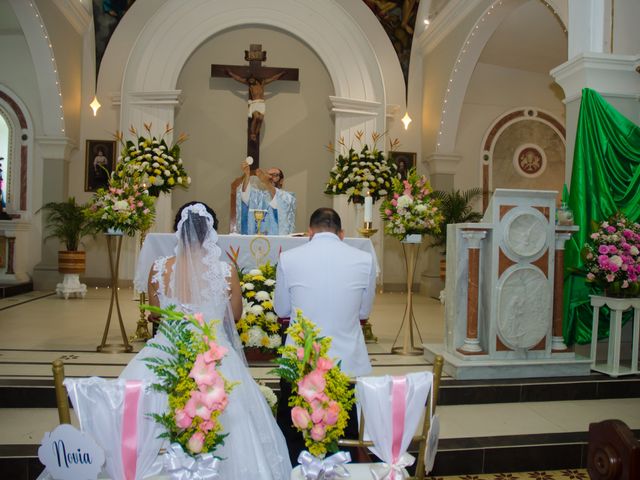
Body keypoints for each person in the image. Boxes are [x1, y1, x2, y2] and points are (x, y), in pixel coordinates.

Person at [120, 203, 292, 479]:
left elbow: (153, 312)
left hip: (167, 351)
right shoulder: (226, 271)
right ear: (211, 232)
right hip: (214, 355)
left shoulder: (159, 268)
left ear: (177, 229)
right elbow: (235, 315)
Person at [273, 207, 377, 463]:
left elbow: (281, 309)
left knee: (295, 439)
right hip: (348, 365)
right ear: (341, 233)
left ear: (309, 232)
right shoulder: (365, 259)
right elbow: (364, 311)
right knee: (348, 438)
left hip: (302, 364)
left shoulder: (289, 258)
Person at [236, 160, 296, 235]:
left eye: (274, 175)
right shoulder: (258, 196)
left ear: (281, 181)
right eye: (268, 174)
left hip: (276, 243)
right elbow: (244, 196)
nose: (270, 177)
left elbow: (279, 201)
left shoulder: (287, 197)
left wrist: (266, 182)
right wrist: (247, 174)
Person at [226, 69, 286, 141]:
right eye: (250, 81)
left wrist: (281, 73)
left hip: (261, 103)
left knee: (260, 119)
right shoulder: (250, 85)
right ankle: (252, 133)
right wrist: (230, 73)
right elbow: (239, 79)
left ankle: (255, 134)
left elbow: (273, 78)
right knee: (256, 117)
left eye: (252, 80)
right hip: (254, 103)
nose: (251, 82)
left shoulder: (262, 83)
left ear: (254, 78)